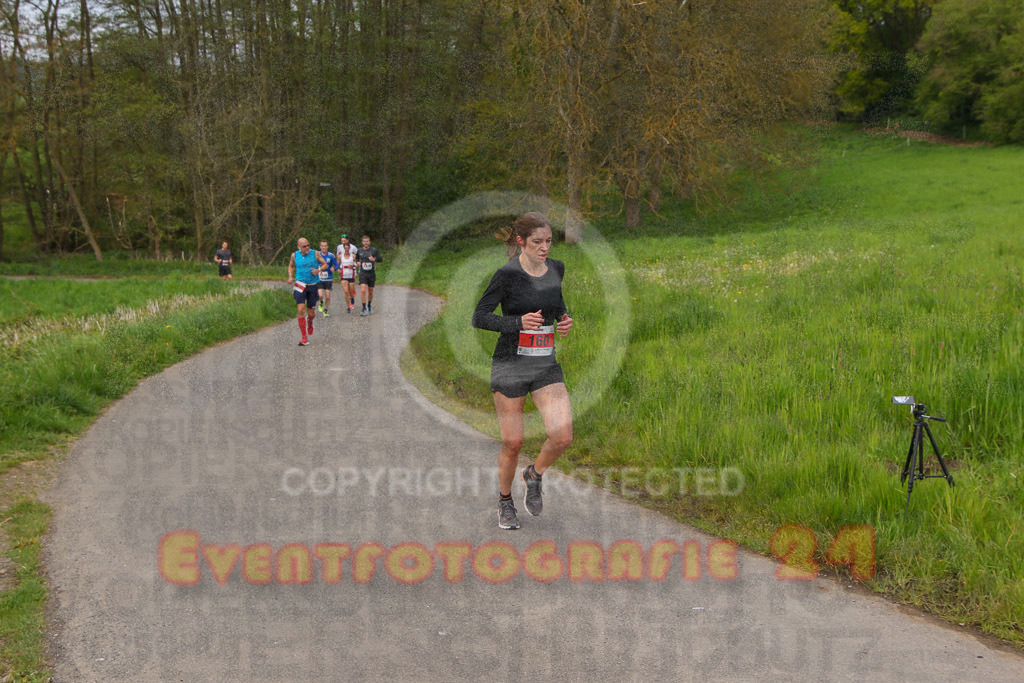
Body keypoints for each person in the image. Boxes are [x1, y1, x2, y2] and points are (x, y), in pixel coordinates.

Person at [471, 212, 574, 530]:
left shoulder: (556, 268)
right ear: (521, 242)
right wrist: (517, 322)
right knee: (513, 442)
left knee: (562, 436)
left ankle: (534, 474)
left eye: (549, 242)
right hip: (510, 365)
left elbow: (554, 304)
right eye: (537, 242)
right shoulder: (506, 275)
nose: (545, 248)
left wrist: (564, 318)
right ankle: (505, 502)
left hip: (544, 364)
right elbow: (480, 316)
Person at [287, 237, 329, 346]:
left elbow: (325, 265)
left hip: (313, 285)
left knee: (311, 313)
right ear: (298, 247)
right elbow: (291, 266)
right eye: (304, 246)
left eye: (308, 245)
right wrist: (290, 276)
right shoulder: (294, 255)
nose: (307, 248)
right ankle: (304, 337)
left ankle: (310, 321)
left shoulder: (315, 253)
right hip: (300, 284)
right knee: (300, 310)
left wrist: (318, 270)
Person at [355, 234, 383, 316]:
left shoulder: (374, 250)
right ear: (362, 242)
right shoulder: (359, 251)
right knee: (363, 290)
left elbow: (380, 259)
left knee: (370, 291)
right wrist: (357, 262)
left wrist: (374, 259)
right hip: (363, 273)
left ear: (369, 242)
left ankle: (369, 305)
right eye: (364, 241)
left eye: (367, 241)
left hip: (371, 274)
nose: (366, 243)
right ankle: (364, 308)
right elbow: (356, 259)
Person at [315, 240, 340, 317]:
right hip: (319, 278)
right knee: (320, 295)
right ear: (320, 247)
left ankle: (325, 310)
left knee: (328, 296)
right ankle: (321, 302)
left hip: (328, 278)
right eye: (322, 246)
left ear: (327, 247)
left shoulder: (331, 255)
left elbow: (337, 265)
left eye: (325, 246)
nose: (324, 247)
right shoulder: (317, 255)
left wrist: (334, 268)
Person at [336, 234, 358, 313]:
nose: (347, 250)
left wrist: (354, 265)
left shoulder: (353, 255)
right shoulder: (340, 254)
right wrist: (337, 269)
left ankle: (352, 297)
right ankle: (348, 305)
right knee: (346, 291)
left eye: (348, 249)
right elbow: (337, 263)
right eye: (345, 249)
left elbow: (357, 263)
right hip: (344, 274)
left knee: (351, 289)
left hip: (351, 273)